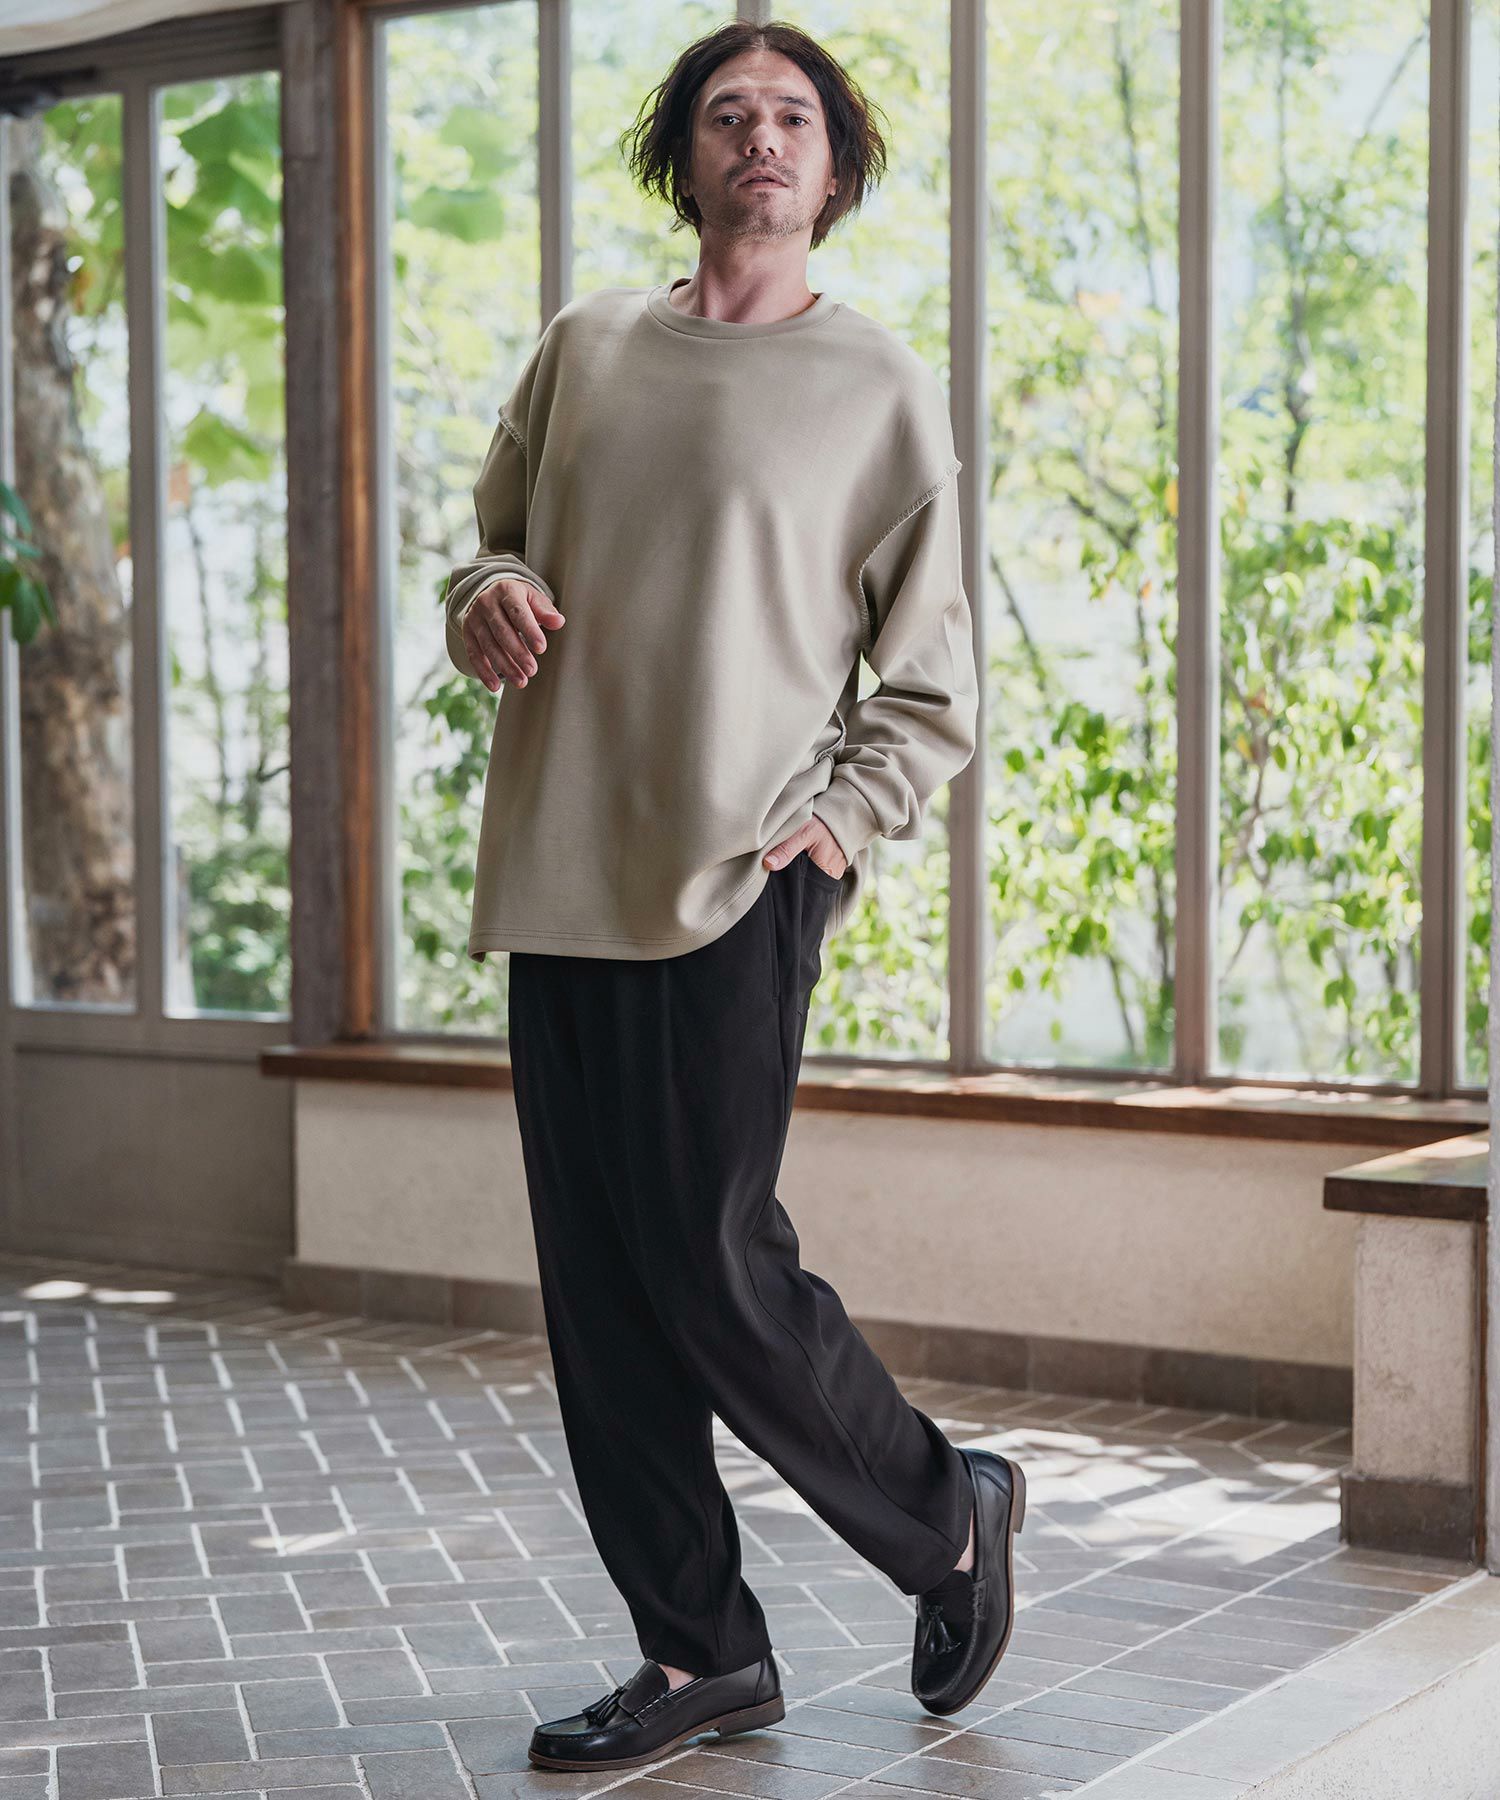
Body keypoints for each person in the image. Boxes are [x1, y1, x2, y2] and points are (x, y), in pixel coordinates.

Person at [441, 18, 1026, 1773]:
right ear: (682, 157)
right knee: (601, 1294)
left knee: (709, 1262)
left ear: (832, 169)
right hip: (561, 876)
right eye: (725, 114)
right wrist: (484, 595)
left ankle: (947, 1512)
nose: (758, 138)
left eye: (791, 118)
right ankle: (698, 1651)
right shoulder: (586, 348)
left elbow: (933, 688)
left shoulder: (877, 389)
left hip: (734, 883)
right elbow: (491, 547)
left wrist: (835, 826)